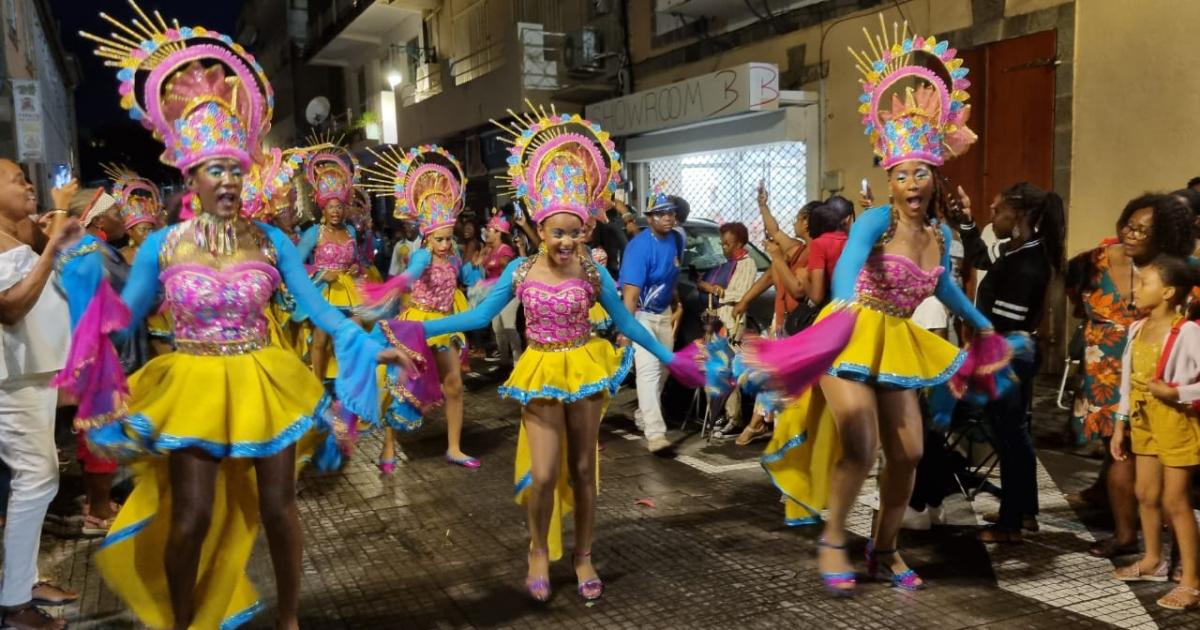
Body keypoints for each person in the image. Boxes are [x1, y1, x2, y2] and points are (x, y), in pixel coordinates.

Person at [68, 16, 412, 629]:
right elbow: (127, 315)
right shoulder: (164, 246)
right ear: (191, 177)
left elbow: (317, 306)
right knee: (192, 516)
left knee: (280, 509)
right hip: (194, 383)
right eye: (213, 170)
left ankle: (288, 619)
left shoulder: (272, 240)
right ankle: (181, 620)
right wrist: (86, 300)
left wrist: (367, 342)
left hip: (262, 380)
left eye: (234, 168)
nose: (227, 180)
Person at [371, 106, 713, 603]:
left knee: (583, 470)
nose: (566, 241)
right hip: (540, 370)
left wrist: (671, 357)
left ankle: (583, 555)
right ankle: (537, 548)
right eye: (557, 232)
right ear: (539, 226)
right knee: (546, 472)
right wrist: (409, 327)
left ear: (585, 230)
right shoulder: (520, 272)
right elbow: (472, 319)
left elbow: (625, 322)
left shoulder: (594, 274)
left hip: (585, 371)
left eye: (574, 232)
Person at [742, 22, 1007, 595]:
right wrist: (829, 328)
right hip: (847, 332)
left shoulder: (937, 235)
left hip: (898, 344)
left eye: (921, 172)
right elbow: (843, 275)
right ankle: (835, 536)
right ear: (889, 182)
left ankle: (884, 549)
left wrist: (987, 329)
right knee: (860, 440)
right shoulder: (873, 222)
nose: (912, 181)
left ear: (935, 177)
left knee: (909, 452)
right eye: (902, 173)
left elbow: (944, 290)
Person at [1065, 193, 1196, 558]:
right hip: (1106, 368)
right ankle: (1129, 535)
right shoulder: (1094, 260)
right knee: (1119, 452)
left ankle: (1140, 539)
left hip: (1154, 368)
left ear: (1165, 235)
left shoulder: (1179, 269)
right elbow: (1077, 300)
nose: (1132, 233)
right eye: (1129, 224)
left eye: (1143, 229)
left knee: (1141, 455)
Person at [953, 182, 1066, 542]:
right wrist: (967, 223)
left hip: (1007, 359)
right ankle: (1024, 512)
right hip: (1009, 356)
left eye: (997, 209)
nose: (992, 213)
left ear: (1018, 216)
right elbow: (983, 260)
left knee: (1010, 437)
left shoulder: (1027, 265)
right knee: (1014, 435)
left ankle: (1011, 523)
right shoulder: (1019, 251)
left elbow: (1001, 326)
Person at [360, 144, 478, 471]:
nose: (445, 244)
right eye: (439, 239)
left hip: (445, 325)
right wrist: (387, 288)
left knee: (454, 385)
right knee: (404, 388)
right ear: (427, 237)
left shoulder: (453, 255)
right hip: (418, 325)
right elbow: (410, 276)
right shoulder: (423, 254)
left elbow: (466, 277)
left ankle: (454, 447)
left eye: (448, 238)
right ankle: (388, 445)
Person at [0, 161, 79, 630]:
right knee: (36, 478)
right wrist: (51, 245)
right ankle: (13, 606)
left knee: (37, 478)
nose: (28, 184)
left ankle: (23, 582)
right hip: (12, 381)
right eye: (16, 180)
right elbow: (9, 308)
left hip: (34, 375)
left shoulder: (18, 235)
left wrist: (52, 230)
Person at [1111, 256, 1200, 610]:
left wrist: (1177, 393)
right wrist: (1120, 424)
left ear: (1167, 291)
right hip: (1142, 418)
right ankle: (1152, 559)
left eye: (1143, 283)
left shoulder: (1188, 332)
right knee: (1145, 492)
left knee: (1174, 501)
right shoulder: (1138, 328)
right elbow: (1126, 383)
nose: (1136, 289)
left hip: (1176, 420)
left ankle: (1192, 580)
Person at [618, 182, 686, 453]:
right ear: (649, 218)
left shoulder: (677, 238)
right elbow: (630, 294)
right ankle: (656, 434)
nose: (668, 217)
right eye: (661, 213)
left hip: (664, 314)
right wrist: (626, 329)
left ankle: (642, 416)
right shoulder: (639, 247)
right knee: (647, 372)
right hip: (642, 317)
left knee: (664, 371)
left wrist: (678, 304)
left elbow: (673, 277)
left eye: (670, 212)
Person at [296, 147, 369, 382]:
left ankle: (348, 382)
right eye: (331, 207)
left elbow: (357, 260)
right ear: (323, 209)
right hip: (323, 292)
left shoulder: (349, 231)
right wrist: (319, 273)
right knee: (321, 338)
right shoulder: (314, 233)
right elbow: (294, 264)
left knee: (352, 337)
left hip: (348, 291)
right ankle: (316, 385)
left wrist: (357, 268)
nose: (336, 211)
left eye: (339, 207)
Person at [697, 222, 757, 434]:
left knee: (727, 371)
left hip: (732, 323)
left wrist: (713, 289)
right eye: (722, 244)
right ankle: (720, 413)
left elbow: (741, 295)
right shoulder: (727, 264)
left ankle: (734, 417)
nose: (724, 248)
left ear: (740, 242)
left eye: (728, 244)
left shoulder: (747, 264)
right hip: (717, 321)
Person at [468, 211, 520, 366]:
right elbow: (475, 263)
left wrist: (503, 263)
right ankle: (504, 361)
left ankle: (518, 360)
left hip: (508, 292)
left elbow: (508, 268)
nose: (486, 234)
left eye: (489, 231)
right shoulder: (489, 249)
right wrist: (482, 252)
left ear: (498, 233)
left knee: (508, 325)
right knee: (497, 327)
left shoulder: (505, 249)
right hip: (494, 292)